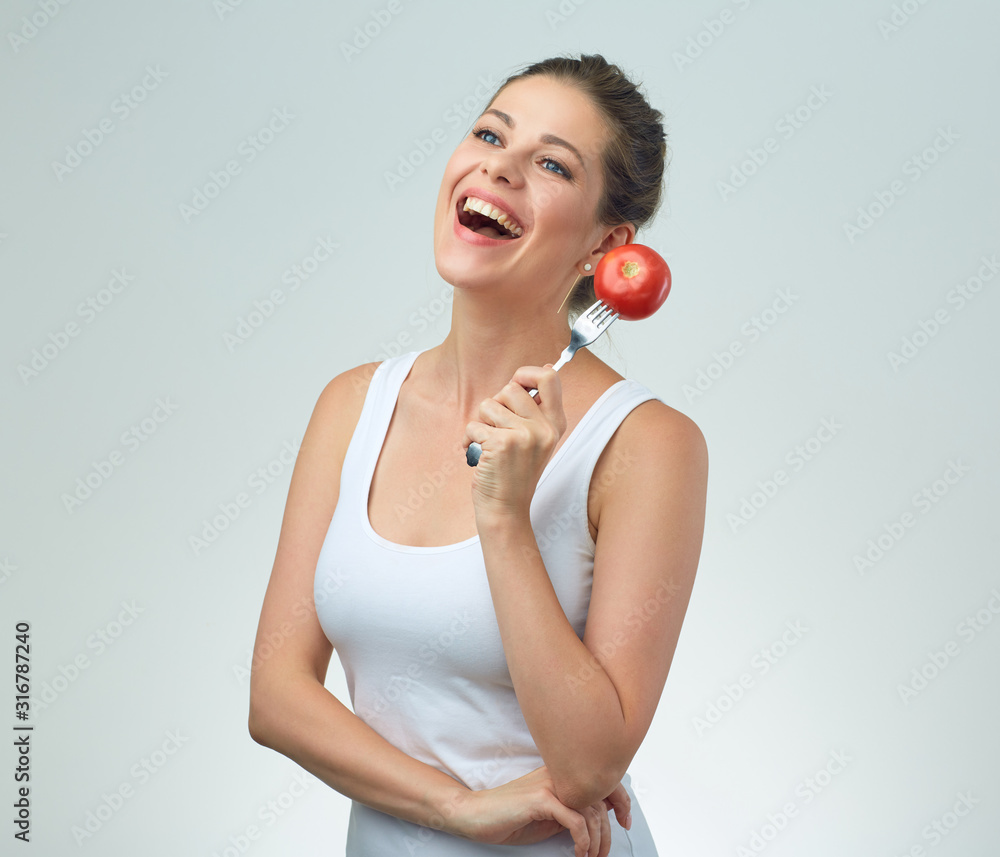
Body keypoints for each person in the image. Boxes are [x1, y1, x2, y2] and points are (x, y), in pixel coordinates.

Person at [248, 54, 708, 857]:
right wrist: (457, 807)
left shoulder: (647, 444)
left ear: (607, 245)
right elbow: (275, 694)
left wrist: (503, 514)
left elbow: (590, 764)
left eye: (553, 164)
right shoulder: (352, 405)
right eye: (491, 135)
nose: (499, 165)